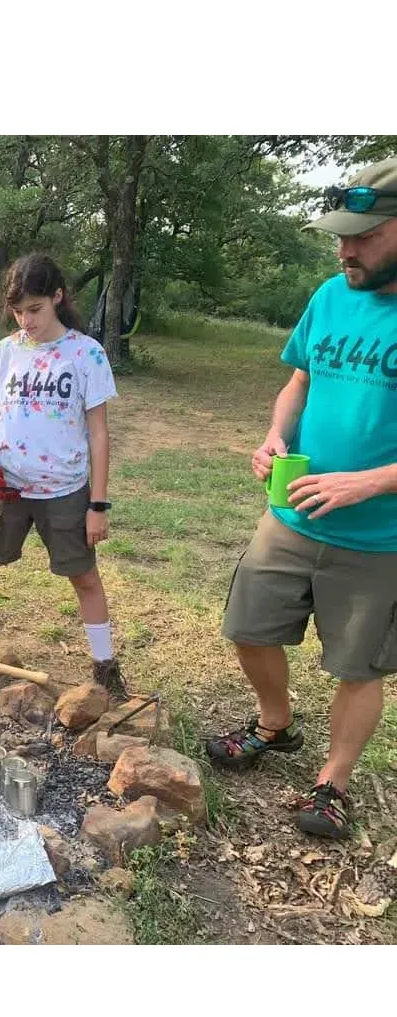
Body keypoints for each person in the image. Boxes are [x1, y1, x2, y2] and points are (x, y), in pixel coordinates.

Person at [208, 157, 397, 840]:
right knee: (249, 628)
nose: (346, 249)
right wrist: (273, 436)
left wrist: (369, 482)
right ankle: (274, 723)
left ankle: (333, 783)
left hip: (379, 537)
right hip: (290, 516)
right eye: (341, 236)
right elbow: (298, 382)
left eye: (365, 235)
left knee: (358, 664)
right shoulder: (329, 295)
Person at [0, 252, 127, 697]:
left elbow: (99, 434)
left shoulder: (85, 353)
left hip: (64, 489)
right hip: (9, 486)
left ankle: (105, 665)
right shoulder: (4, 352)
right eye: (18, 311)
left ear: (57, 297)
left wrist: (97, 505)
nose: (26, 320)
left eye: (35, 309)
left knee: (83, 576)